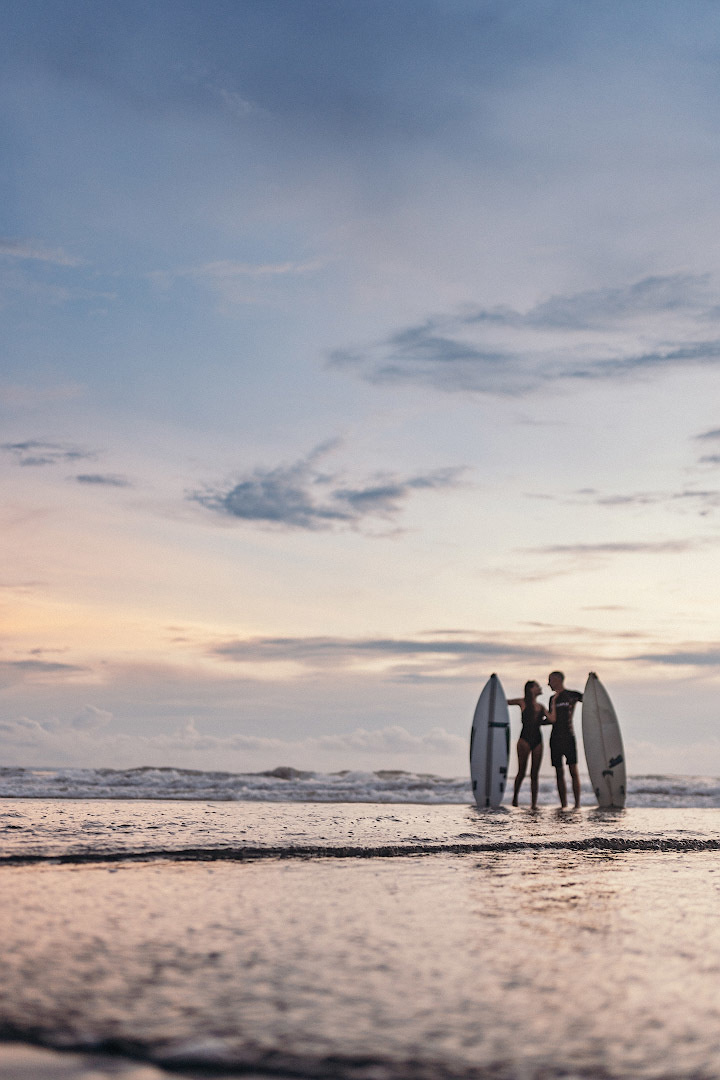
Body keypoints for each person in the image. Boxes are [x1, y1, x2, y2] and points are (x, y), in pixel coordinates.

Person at [507, 680, 550, 809]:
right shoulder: (522, 702)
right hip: (524, 740)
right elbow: (505, 702)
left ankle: (534, 804)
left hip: (537, 740)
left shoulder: (541, 707)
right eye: (537, 686)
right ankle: (514, 800)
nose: (540, 687)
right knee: (521, 771)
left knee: (534, 774)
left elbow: (553, 719)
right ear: (531, 689)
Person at [547, 671, 583, 808]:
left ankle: (577, 804)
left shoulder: (572, 695)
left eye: (550, 680)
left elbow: (590, 699)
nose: (548, 683)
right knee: (559, 772)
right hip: (555, 738)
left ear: (557, 680)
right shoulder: (552, 699)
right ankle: (564, 805)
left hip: (569, 736)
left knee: (573, 770)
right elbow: (552, 719)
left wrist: (593, 681)